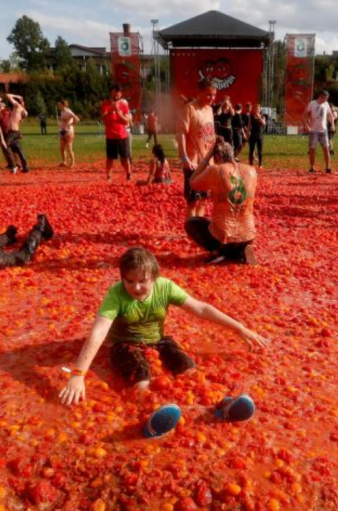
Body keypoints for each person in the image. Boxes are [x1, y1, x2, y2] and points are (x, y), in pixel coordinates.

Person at [58, 246, 268, 404]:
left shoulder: (166, 287)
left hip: (158, 341)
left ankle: (220, 404)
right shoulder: (116, 294)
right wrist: (78, 375)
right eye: (129, 281)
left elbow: (201, 309)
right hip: (123, 344)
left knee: (188, 369)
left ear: (155, 277)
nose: (136, 287)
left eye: (143, 281)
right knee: (141, 377)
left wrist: (240, 328)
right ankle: (152, 408)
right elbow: (99, 331)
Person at [185, 139, 257, 265]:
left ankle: (219, 251)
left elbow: (193, 181)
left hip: (224, 237)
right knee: (225, 221)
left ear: (217, 156)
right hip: (248, 236)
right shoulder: (252, 170)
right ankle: (242, 249)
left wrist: (207, 157)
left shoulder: (216, 170)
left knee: (191, 223)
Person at [178, 79, 217, 218]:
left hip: (207, 162)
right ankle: (191, 229)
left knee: (204, 199)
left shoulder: (210, 110)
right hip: (193, 163)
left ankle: (199, 227)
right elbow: (181, 133)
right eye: (208, 94)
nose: (211, 98)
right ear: (199, 92)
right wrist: (184, 158)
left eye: (213, 95)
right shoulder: (189, 109)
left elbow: (210, 134)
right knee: (193, 200)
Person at [101, 85, 133, 181]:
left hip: (122, 135)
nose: (116, 95)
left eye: (118, 93)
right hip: (110, 136)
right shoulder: (106, 104)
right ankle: (109, 176)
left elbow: (127, 121)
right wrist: (111, 110)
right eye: (115, 92)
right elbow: (103, 118)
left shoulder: (123, 105)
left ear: (120, 94)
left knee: (125, 157)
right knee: (110, 158)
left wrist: (119, 113)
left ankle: (128, 174)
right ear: (111, 93)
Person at [303, 91, 333, 173]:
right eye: (325, 98)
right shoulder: (312, 103)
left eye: (327, 98)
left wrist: (332, 124)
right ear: (321, 96)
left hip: (323, 130)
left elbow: (330, 115)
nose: (326, 100)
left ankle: (328, 167)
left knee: (326, 149)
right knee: (312, 149)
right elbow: (304, 115)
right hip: (314, 131)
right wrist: (306, 125)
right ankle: (312, 167)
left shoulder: (326, 104)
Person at [0, 93, 29, 173]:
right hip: (15, 131)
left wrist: (18, 96)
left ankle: (13, 165)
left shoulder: (17, 106)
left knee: (5, 144)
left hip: (13, 132)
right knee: (18, 148)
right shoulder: (24, 111)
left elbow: (8, 95)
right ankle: (25, 166)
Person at [57, 100, 79, 168]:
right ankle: (64, 162)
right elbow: (63, 121)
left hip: (69, 132)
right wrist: (60, 124)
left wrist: (72, 124)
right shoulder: (62, 112)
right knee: (62, 148)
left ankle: (72, 162)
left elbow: (77, 119)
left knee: (69, 148)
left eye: (59, 105)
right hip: (62, 131)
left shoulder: (68, 111)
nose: (58, 106)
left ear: (63, 105)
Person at [247, 103, 266, 168]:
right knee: (251, 150)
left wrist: (259, 117)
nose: (257, 110)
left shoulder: (263, 116)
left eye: (258, 108)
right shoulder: (251, 116)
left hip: (260, 136)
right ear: (254, 109)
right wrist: (247, 134)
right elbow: (249, 126)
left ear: (260, 109)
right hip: (252, 135)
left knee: (260, 150)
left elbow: (264, 124)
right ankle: (250, 164)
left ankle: (260, 164)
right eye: (256, 108)